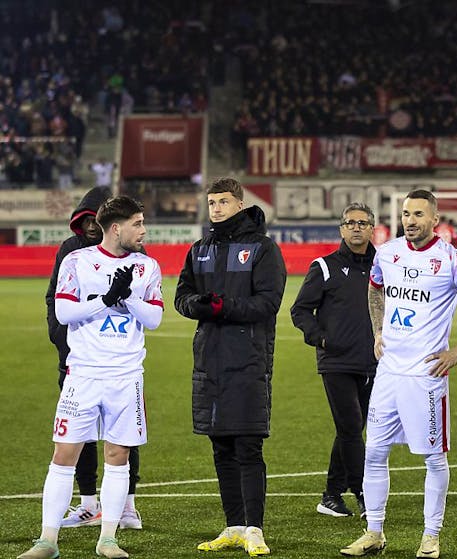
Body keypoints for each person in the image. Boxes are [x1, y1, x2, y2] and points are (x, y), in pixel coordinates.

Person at [340, 189, 457, 559]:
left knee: (433, 459)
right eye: (406, 213)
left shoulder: (450, 260)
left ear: (435, 219)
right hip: (388, 372)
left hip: (425, 377)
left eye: (419, 214)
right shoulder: (387, 253)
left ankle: (430, 537)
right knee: (374, 452)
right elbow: (375, 289)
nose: (410, 220)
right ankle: (374, 532)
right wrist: (378, 330)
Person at [19, 196, 163, 559]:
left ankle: (108, 539)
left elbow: (154, 318)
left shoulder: (147, 266)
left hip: (126, 376)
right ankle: (47, 541)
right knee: (64, 452)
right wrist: (107, 297)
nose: (144, 231)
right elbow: (65, 311)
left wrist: (126, 297)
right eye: (138, 223)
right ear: (116, 227)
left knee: (118, 455)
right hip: (82, 373)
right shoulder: (76, 261)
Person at [174, 177, 287, 557]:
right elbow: (181, 297)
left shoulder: (262, 248)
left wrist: (224, 307)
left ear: (240, 204)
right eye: (211, 202)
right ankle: (234, 526)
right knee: (220, 446)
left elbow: (268, 303)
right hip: (209, 360)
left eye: (223, 201)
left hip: (248, 360)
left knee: (247, 445)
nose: (217, 208)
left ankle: (255, 529)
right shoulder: (199, 249)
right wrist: (199, 305)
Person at [44, 187, 143, 530]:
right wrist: (64, 345)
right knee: (79, 435)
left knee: (124, 435)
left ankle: (127, 505)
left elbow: (143, 305)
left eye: (95, 218)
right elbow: (54, 302)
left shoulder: (135, 254)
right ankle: (88, 502)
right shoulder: (71, 252)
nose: (90, 225)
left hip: (119, 362)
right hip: (77, 361)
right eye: (86, 219)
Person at [290, 202, 378, 518]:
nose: (356, 227)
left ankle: (331, 495)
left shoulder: (385, 266)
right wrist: (321, 338)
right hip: (337, 362)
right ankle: (363, 494)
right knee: (353, 427)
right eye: (350, 222)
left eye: (362, 222)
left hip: (374, 361)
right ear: (341, 229)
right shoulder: (324, 267)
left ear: (372, 228)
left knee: (350, 429)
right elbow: (300, 309)